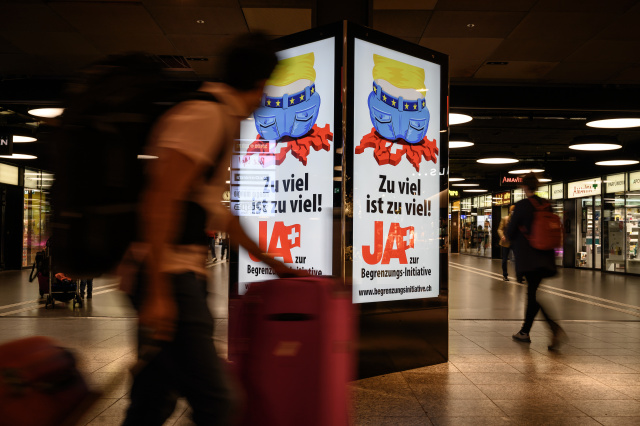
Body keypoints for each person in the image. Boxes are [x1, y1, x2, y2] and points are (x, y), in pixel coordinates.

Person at [122, 33, 302, 425]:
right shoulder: (205, 116)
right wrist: (156, 291)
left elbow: (218, 214)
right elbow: (159, 200)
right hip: (169, 277)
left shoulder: (222, 120)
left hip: (179, 275)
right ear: (260, 84)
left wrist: (276, 265)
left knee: (153, 400)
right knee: (217, 402)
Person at [506, 173, 566, 350]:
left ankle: (554, 328)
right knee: (532, 294)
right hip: (546, 257)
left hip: (529, 258)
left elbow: (509, 233)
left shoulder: (522, 206)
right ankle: (525, 332)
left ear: (523, 187)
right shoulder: (547, 205)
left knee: (532, 296)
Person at [497, 205, 523, 282]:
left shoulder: (518, 220)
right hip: (505, 242)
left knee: (518, 259)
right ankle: (505, 275)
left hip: (515, 242)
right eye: (512, 211)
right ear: (510, 211)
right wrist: (502, 236)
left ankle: (519, 275)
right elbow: (500, 229)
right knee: (505, 259)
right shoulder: (505, 219)